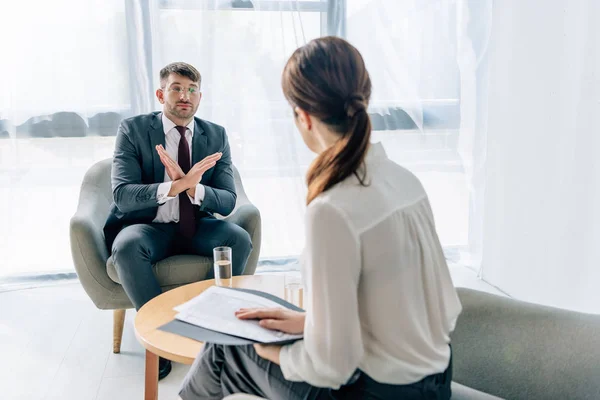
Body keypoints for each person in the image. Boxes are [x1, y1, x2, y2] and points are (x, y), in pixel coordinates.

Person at [178, 37, 462, 399]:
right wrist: (309, 323)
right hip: (435, 378)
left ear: (304, 117)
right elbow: (411, 305)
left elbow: (331, 367)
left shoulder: (332, 210)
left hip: (380, 392)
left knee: (225, 349)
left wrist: (270, 349)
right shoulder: (405, 181)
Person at [103, 62, 253, 380]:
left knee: (238, 238)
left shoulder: (216, 135)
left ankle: (211, 331)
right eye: (176, 88)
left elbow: (227, 201)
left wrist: (193, 188)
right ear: (161, 94)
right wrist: (174, 187)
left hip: (196, 225)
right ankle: (160, 339)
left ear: (200, 97)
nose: (184, 95)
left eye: (191, 90)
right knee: (127, 247)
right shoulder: (133, 130)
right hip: (148, 226)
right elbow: (123, 195)